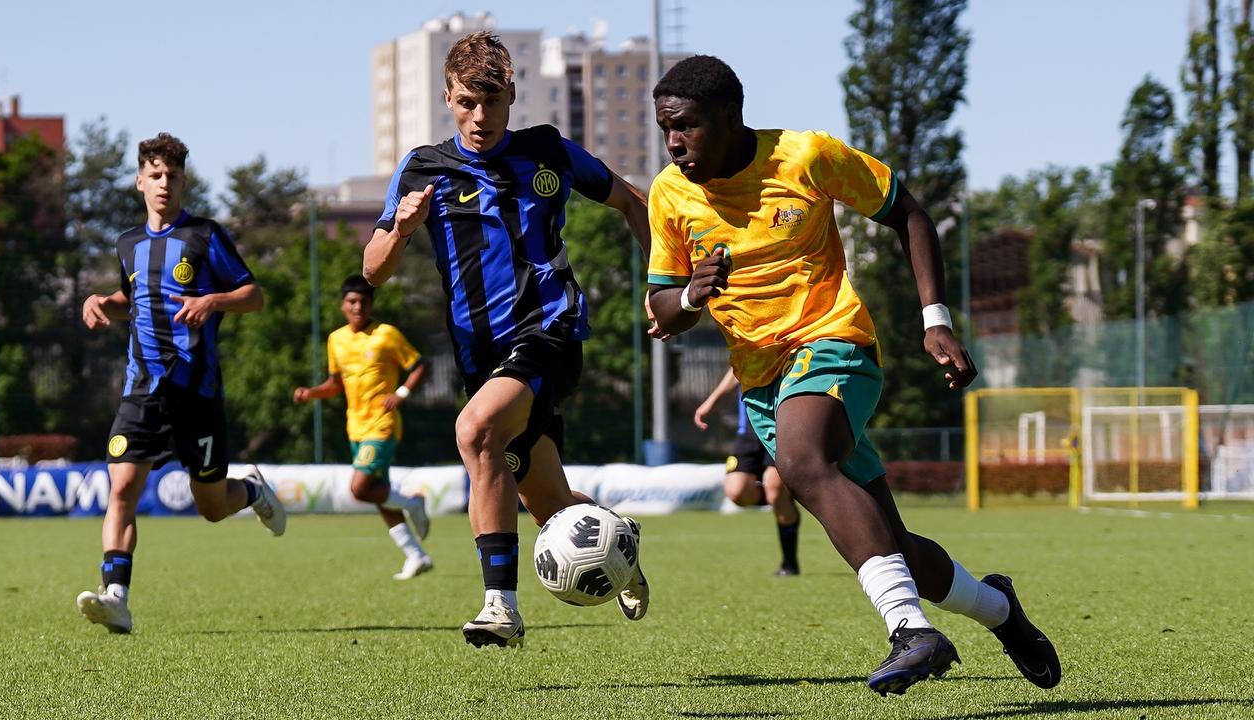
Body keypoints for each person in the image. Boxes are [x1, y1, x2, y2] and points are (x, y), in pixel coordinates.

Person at [646, 56, 1060, 696]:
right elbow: (663, 313)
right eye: (664, 128)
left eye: (688, 126)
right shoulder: (669, 194)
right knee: (894, 547)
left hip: (832, 341)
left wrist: (935, 319)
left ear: (731, 118)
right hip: (761, 379)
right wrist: (694, 297)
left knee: (799, 460)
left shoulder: (804, 156)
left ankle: (909, 632)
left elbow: (909, 214)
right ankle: (1001, 610)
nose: (674, 141)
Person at [362, 31, 654, 648]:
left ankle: (501, 606)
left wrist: (661, 285)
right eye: (468, 102)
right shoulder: (422, 168)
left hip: (549, 330)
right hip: (482, 358)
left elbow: (632, 201)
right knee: (547, 503)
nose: (480, 116)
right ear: (447, 97)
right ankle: (618, 545)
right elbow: (372, 269)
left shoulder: (547, 151)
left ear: (512, 96)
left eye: (492, 101)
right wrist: (401, 231)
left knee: (474, 431)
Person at [77, 133, 284, 634]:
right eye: (155, 174)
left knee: (211, 508)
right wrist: (104, 302)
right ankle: (116, 597)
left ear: (184, 180)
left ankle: (252, 492)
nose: (164, 183)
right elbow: (137, 298)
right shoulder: (127, 243)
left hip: (197, 393)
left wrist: (212, 302)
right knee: (122, 486)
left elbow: (254, 296)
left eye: (172, 175)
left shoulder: (206, 237)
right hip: (141, 391)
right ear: (139, 181)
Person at [293, 274, 433, 580]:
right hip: (355, 427)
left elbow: (421, 365)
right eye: (352, 301)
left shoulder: (387, 334)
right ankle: (416, 555)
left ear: (371, 305)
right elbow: (335, 383)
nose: (358, 307)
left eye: (364, 302)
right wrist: (311, 393)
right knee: (375, 492)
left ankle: (413, 502)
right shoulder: (336, 339)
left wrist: (401, 394)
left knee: (359, 488)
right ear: (342, 305)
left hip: (382, 425)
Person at [694, 368, 800, 575]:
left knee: (775, 490)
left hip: (782, 427)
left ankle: (789, 564)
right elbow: (736, 370)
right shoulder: (749, 343)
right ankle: (781, 496)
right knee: (737, 492)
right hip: (749, 431)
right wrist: (711, 401)